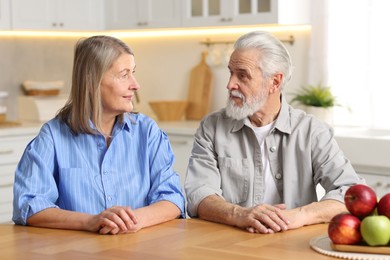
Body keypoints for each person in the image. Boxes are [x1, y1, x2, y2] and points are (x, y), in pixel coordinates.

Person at [184, 31, 364, 234]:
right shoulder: (212, 127)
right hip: (229, 244)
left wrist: (300, 215)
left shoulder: (312, 131)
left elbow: (351, 192)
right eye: (231, 73)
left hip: (293, 246)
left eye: (242, 75)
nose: (230, 84)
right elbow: (198, 194)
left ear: (275, 82)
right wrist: (238, 214)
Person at [13, 35, 185, 235]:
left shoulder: (147, 132)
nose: (135, 85)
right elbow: (29, 205)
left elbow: (172, 198)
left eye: (133, 72)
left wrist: (129, 221)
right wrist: (91, 221)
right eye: (124, 75)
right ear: (93, 81)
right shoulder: (52, 136)